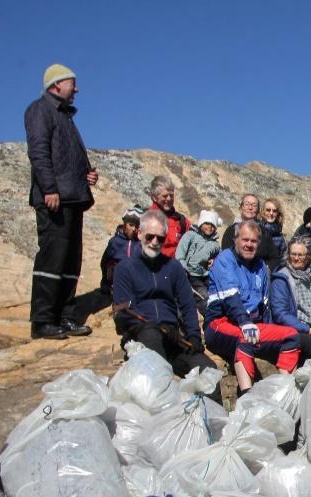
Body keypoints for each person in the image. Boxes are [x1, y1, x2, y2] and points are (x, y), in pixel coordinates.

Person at [112, 210, 220, 401]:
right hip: (141, 337)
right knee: (152, 340)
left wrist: (194, 337)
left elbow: (187, 304)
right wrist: (147, 327)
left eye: (160, 238)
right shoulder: (124, 269)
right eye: (150, 236)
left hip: (172, 337)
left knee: (208, 371)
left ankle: (212, 423)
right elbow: (122, 314)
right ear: (139, 234)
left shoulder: (173, 268)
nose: (155, 242)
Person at [24, 63, 98, 340]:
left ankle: (65, 316)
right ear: (56, 85)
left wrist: (86, 174)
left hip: (73, 199)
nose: (76, 88)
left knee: (70, 261)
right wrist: (49, 189)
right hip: (55, 199)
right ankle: (42, 321)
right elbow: (39, 152)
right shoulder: (39, 110)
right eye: (72, 83)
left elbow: (65, 156)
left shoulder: (65, 116)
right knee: (52, 259)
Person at [204, 220, 300, 393]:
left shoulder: (261, 266)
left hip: (251, 325)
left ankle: (287, 392)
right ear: (236, 240)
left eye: (253, 241)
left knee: (291, 336)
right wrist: (245, 322)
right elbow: (231, 298)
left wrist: (269, 332)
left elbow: (264, 306)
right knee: (245, 338)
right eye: (245, 239)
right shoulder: (225, 259)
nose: (249, 244)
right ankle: (247, 396)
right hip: (221, 323)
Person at [271, 239, 311, 362]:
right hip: (296, 328)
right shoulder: (281, 279)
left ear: (308, 256)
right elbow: (280, 314)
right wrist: (308, 330)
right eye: (293, 254)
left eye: (300, 255)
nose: (296, 258)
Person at [175, 210, 222, 315]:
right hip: (191, 274)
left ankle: (215, 319)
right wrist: (183, 269)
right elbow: (180, 254)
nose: (209, 227)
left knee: (217, 296)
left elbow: (221, 257)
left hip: (206, 275)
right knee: (203, 297)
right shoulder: (190, 235)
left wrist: (215, 260)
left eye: (212, 225)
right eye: (207, 224)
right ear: (201, 223)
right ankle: (211, 317)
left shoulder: (215, 244)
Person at [100, 205, 145, 294]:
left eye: (137, 226)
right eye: (131, 225)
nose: (133, 229)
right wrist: (106, 278)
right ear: (124, 224)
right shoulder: (115, 242)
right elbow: (104, 261)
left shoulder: (142, 243)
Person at [147, 176, 189, 258]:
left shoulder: (181, 221)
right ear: (154, 197)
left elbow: (196, 238)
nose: (169, 199)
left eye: (171, 195)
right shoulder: (145, 219)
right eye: (165, 196)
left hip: (174, 268)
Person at [258, 197, 287, 271]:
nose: (271, 213)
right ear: (263, 211)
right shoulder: (256, 229)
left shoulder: (280, 236)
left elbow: (283, 257)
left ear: (278, 214)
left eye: (274, 211)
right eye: (268, 210)